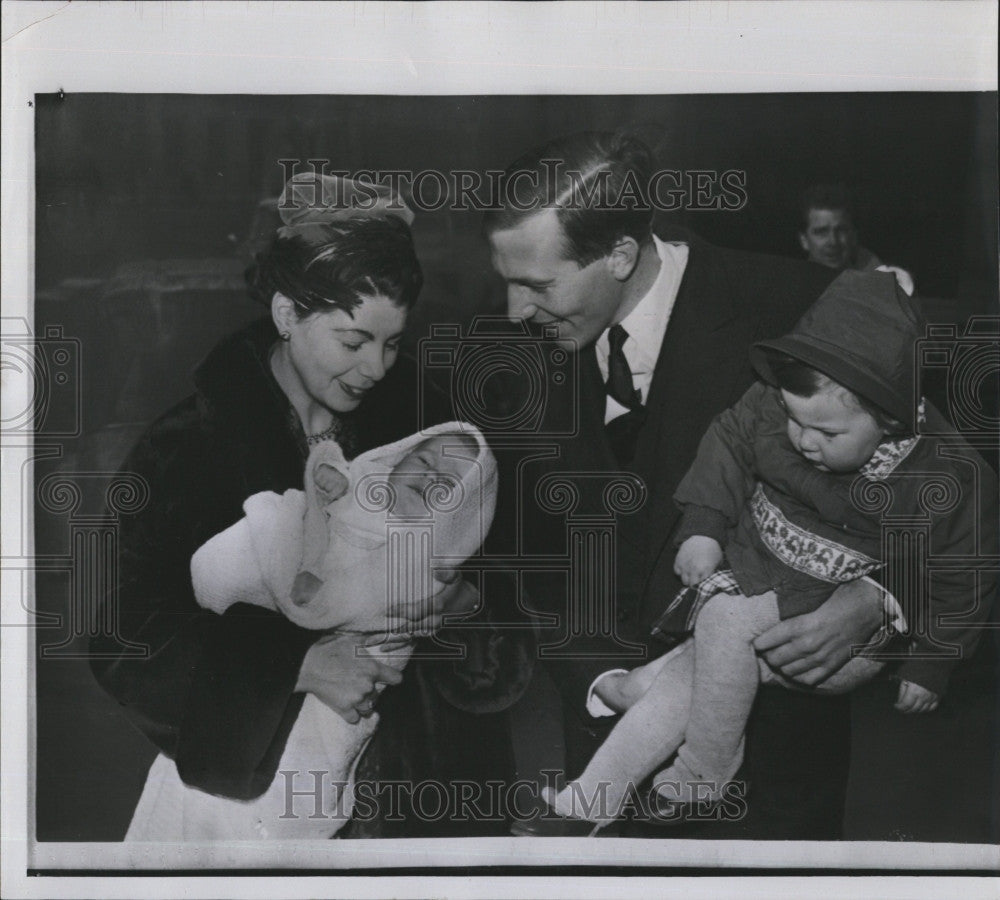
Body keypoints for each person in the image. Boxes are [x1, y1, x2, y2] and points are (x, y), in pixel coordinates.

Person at [484, 131, 904, 839]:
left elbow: (954, 483)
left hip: (770, 785)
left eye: (536, 285)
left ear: (619, 255)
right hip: (601, 768)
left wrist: (882, 598)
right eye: (505, 281)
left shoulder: (801, 306)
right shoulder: (514, 353)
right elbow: (528, 552)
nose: (513, 312)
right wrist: (597, 679)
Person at [90, 173, 531, 839]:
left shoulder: (432, 428)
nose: (378, 367)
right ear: (288, 314)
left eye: (393, 342)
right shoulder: (188, 449)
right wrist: (294, 664)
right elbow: (125, 635)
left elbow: (508, 586)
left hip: (423, 795)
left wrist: (460, 601)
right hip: (259, 802)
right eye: (354, 342)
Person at [545, 270, 997, 829]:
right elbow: (730, 441)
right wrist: (706, 525)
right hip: (764, 576)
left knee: (724, 623)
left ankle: (706, 774)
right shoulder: (775, 404)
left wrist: (932, 663)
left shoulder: (947, 472)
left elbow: (964, 570)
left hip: (832, 626)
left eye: (828, 434)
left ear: (890, 419)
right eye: (793, 419)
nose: (804, 440)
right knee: (688, 679)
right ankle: (594, 795)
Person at [124, 423, 496, 840]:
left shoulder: (421, 565)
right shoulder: (340, 500)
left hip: (315, 736)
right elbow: (172, 601)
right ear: (392, 463)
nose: (429, 477)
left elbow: (367, 605)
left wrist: (465, 593)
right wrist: (309, 512)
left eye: (447, 485)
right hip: (223, 716)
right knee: (173, 831)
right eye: (423, 461)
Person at [798, 183, 915, 294]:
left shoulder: (882, 287)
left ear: (854, 236)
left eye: (841, 230)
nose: (833, 241)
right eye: (821, 232)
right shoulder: (791, 289)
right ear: (804, 240)